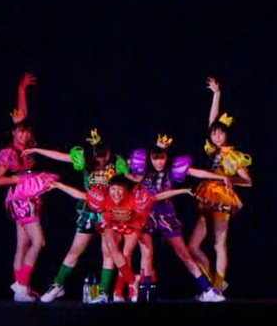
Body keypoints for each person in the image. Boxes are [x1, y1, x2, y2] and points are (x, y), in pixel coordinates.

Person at [24, 129, 129, 303]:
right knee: (75, 250)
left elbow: (132, 175)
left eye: (104, 154)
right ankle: (57, 285)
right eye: (98, 155)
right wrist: (37, 150)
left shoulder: (117, 163)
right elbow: (60, 156)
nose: (101, 159)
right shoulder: (86, 161)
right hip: (89, 209)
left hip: (109, 212)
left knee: (109, 252)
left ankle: (103, 292)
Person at [49, 175, 192, 303]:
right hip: (113, 224)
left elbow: (157, 197)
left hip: (132, 225)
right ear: (109, 190)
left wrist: (183, 190)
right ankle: (132, 281)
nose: (116, 193)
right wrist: (58, 185)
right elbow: (80, 195)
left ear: (126, 190)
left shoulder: (135, 199)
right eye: (113, 189)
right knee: (110, 245)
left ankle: (122, 289)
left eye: (120, 189)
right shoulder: (104, 199)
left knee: (126, 252)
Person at [124, 134, 229, 302]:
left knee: (183, 253)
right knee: (147, 253)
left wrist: (220, 177)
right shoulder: (142, 172)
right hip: (145, 216)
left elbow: (197, 172)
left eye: (162, 158)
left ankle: (208, 290)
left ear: (167, 157)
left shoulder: (172, 170)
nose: (159, 162)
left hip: (166, 215)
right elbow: (124, 170)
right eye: (155, 158)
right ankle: (145, 294)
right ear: (150, 157)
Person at [0, 72, 58, 302]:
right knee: (39, 242)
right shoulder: (11, 153)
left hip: (26, 197)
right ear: (13, 132)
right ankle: (21, 286)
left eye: (27, 131)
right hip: (22, 199)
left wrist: (22, 90)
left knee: (23, 244)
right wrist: (18, 180)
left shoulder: (26, 148)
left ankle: (22, 288)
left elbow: (23, 115)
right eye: (20, 131)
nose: (24, 134)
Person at [187, 77, 253, 297]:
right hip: (206, 195)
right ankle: (210, 285)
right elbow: (212, 120)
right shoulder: (211, 149)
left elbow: (248, 181)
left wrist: (230, 180)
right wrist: (216, 94)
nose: (216, 136)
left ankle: (217, 286)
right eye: (214, 133)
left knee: (219, 244)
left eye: (220, 133)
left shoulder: (233, 156)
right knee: (192, 246)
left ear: (227, 134)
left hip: (222, 199)